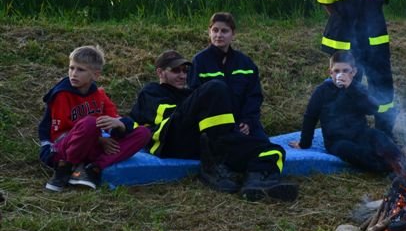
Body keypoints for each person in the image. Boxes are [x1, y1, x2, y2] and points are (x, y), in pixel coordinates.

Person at [130, 50, 297, 202]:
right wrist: (202, 106)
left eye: (185, 71)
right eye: (176, 71)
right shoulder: (151, 91)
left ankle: (258, 181)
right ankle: (213, 165)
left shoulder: (188, 94)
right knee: (215, 87)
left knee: (269, 149)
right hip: (169, 141)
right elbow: (168, 117)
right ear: (160, 72)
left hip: (202, 142)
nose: (182, 75)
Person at [315, 0, 396, 137]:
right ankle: (348, 131)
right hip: (345, 34)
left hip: (374, 33)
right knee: (346, 81)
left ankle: (384, 133)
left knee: (381, 81)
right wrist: (342, 18)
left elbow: (382, 0)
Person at [38, 45, 151, 192]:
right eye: (71, 68)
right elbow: (59, 135)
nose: (73, 74)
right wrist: (99, 140)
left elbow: (113, 120)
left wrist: (119, 125)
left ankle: (93, 169)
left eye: (81, 70)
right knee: (90, 123)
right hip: (61, 151)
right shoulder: (61, 94)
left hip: (90, 148)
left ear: (96, 75)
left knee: (143, 133)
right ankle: (65, 170)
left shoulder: (99, 95)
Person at [289, 51, 406, 175]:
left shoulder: (358, 89)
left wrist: (351, 88)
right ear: (330, 72)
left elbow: (371, 109)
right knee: (351, 151)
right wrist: (304, 143)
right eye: (336, 71)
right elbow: (310, 117)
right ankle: (387, 168)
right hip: (337, 140)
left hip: (361, 133)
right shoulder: (322, 91)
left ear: (353, 72)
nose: (340, 75)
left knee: (379, 136)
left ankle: (405, 164)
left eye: (345, 71)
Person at [188, 12, 267, 140]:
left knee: (268, 149)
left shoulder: (246, 63)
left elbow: (254, 96)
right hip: (214, 125)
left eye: (224, 31)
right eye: (215, 30)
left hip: (245, 124)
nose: (219, 35)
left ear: (233, 34)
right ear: (209, 32)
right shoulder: (199, 61)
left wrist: (247, 122)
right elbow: (194, 97)